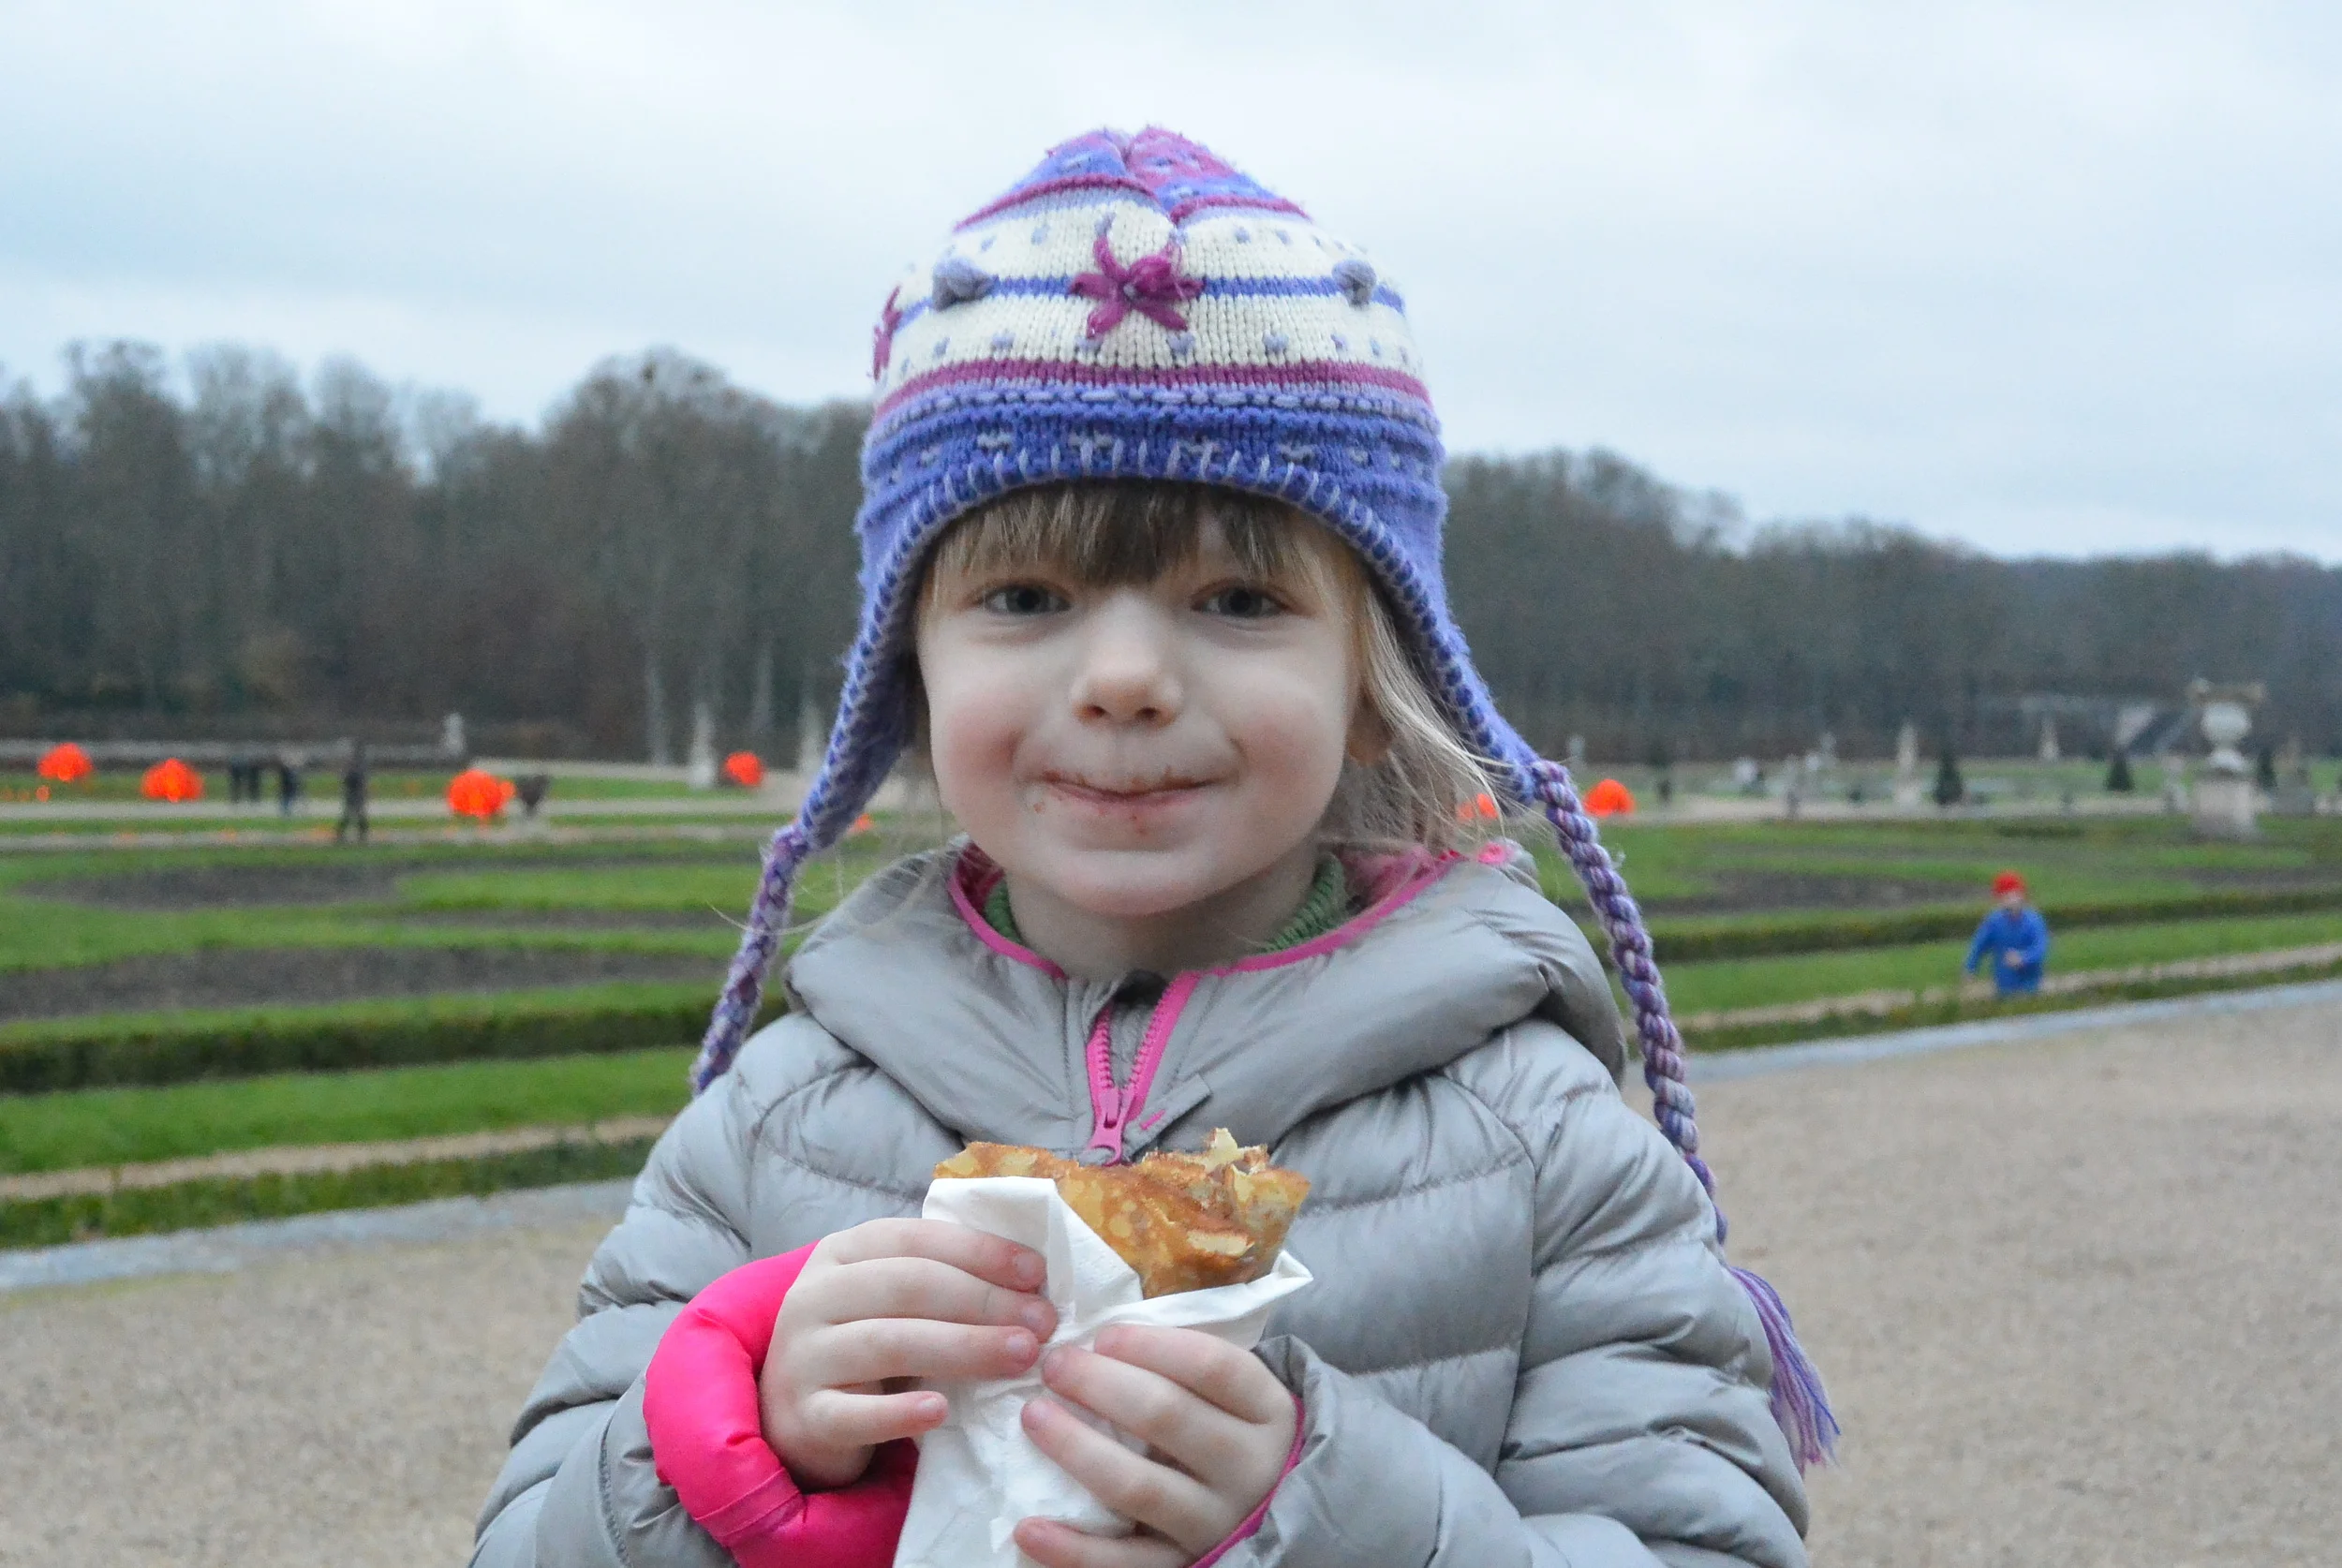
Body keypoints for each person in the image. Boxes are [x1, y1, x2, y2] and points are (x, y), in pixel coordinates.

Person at [471, 128, 1828, 1568]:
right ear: (908, 683)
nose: (1124, 675)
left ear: (1378, 686)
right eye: (1026, 597)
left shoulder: (1543, 1140)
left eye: (1238, 600)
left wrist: (1335, 1520)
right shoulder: (771, 1124)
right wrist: (733, 1441)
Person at [1965, 870, 2050, 996]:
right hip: (2003, 983)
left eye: (2014, 895)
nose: (2011, 900)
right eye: (2005, 897)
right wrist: (1970, 968)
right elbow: (1979, 945)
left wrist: (2023, 958)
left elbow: (2040, 947)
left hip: (2030, 982)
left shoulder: (2034, 920)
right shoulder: (1993, 921)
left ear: (2022, 895)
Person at [335, 741, 369, 844]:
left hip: (355, 792)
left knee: (354, 814)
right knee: (354, 814)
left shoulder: (355, 765)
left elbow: (350, 778)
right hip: (354, 792)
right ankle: (360, 834)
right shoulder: (358, 765)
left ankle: (360, 833)